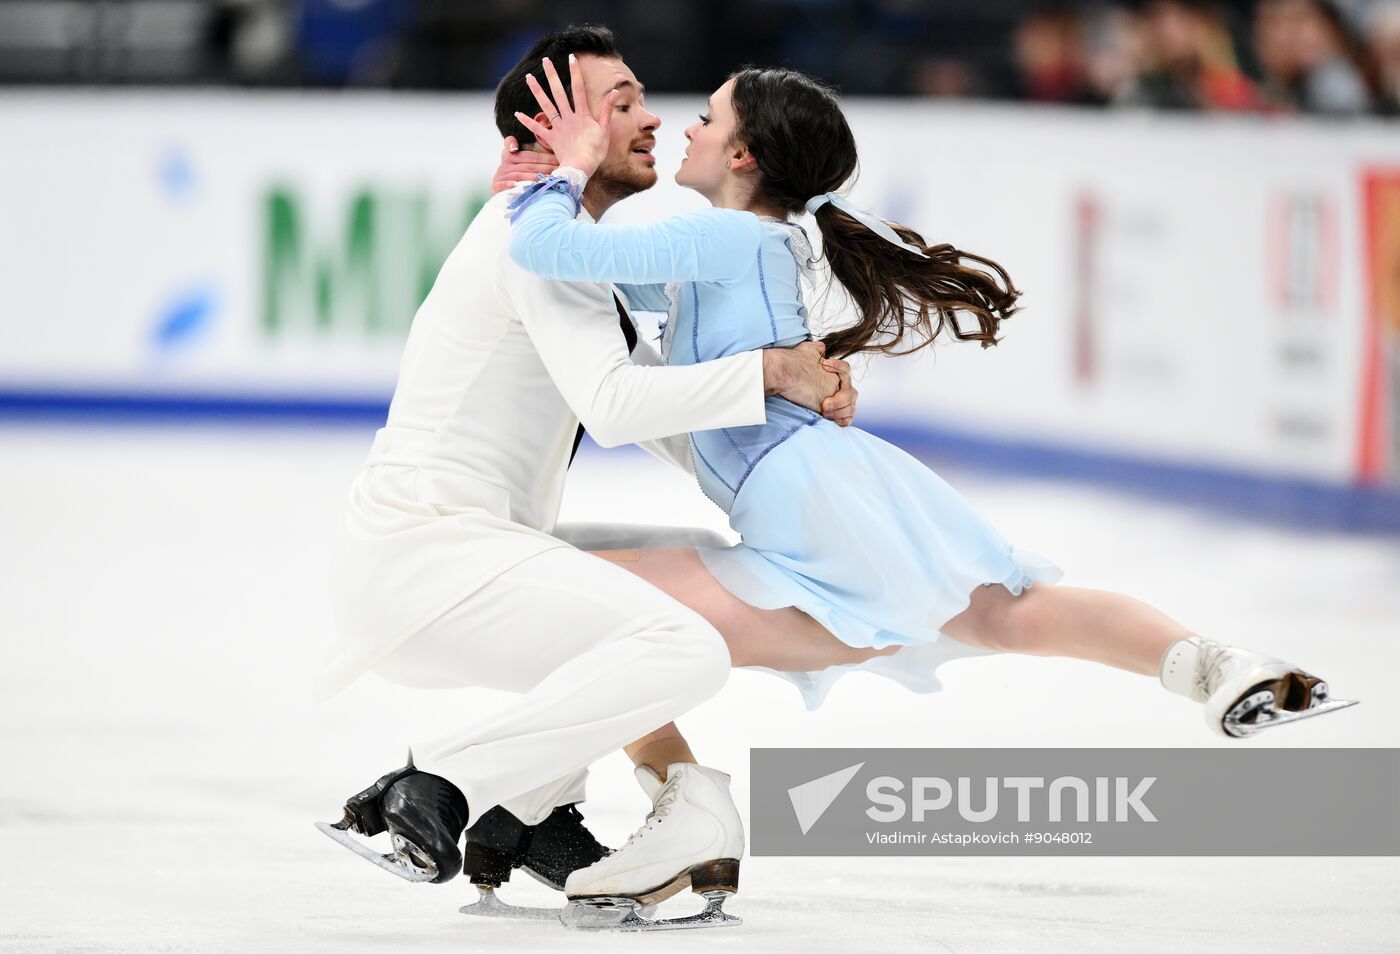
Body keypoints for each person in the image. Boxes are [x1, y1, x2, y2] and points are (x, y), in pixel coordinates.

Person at [501, 56, 1358, 909]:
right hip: (822, 485)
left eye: (710, 117)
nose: (687, 126)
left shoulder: (726, 235)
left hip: (800, 491)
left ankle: (642, 806)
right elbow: (606, 285)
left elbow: (548, 249)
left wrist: (562, 164)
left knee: (593, 608)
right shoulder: (756, 238)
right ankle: (1214, 665)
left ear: (743, 156)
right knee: (1008, 613)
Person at [313, 26, 859, 932]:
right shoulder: (530, 237)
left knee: (645, 602)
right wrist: (767, 372)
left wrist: (796, 436)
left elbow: (657, 412)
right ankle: (439, 785)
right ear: (553, 131)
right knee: (683, 648)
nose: (651, 120)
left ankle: (527, 813)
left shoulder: (551, 238)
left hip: (452, 556)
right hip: (428, 559)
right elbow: (614, 406)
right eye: (621, 104)